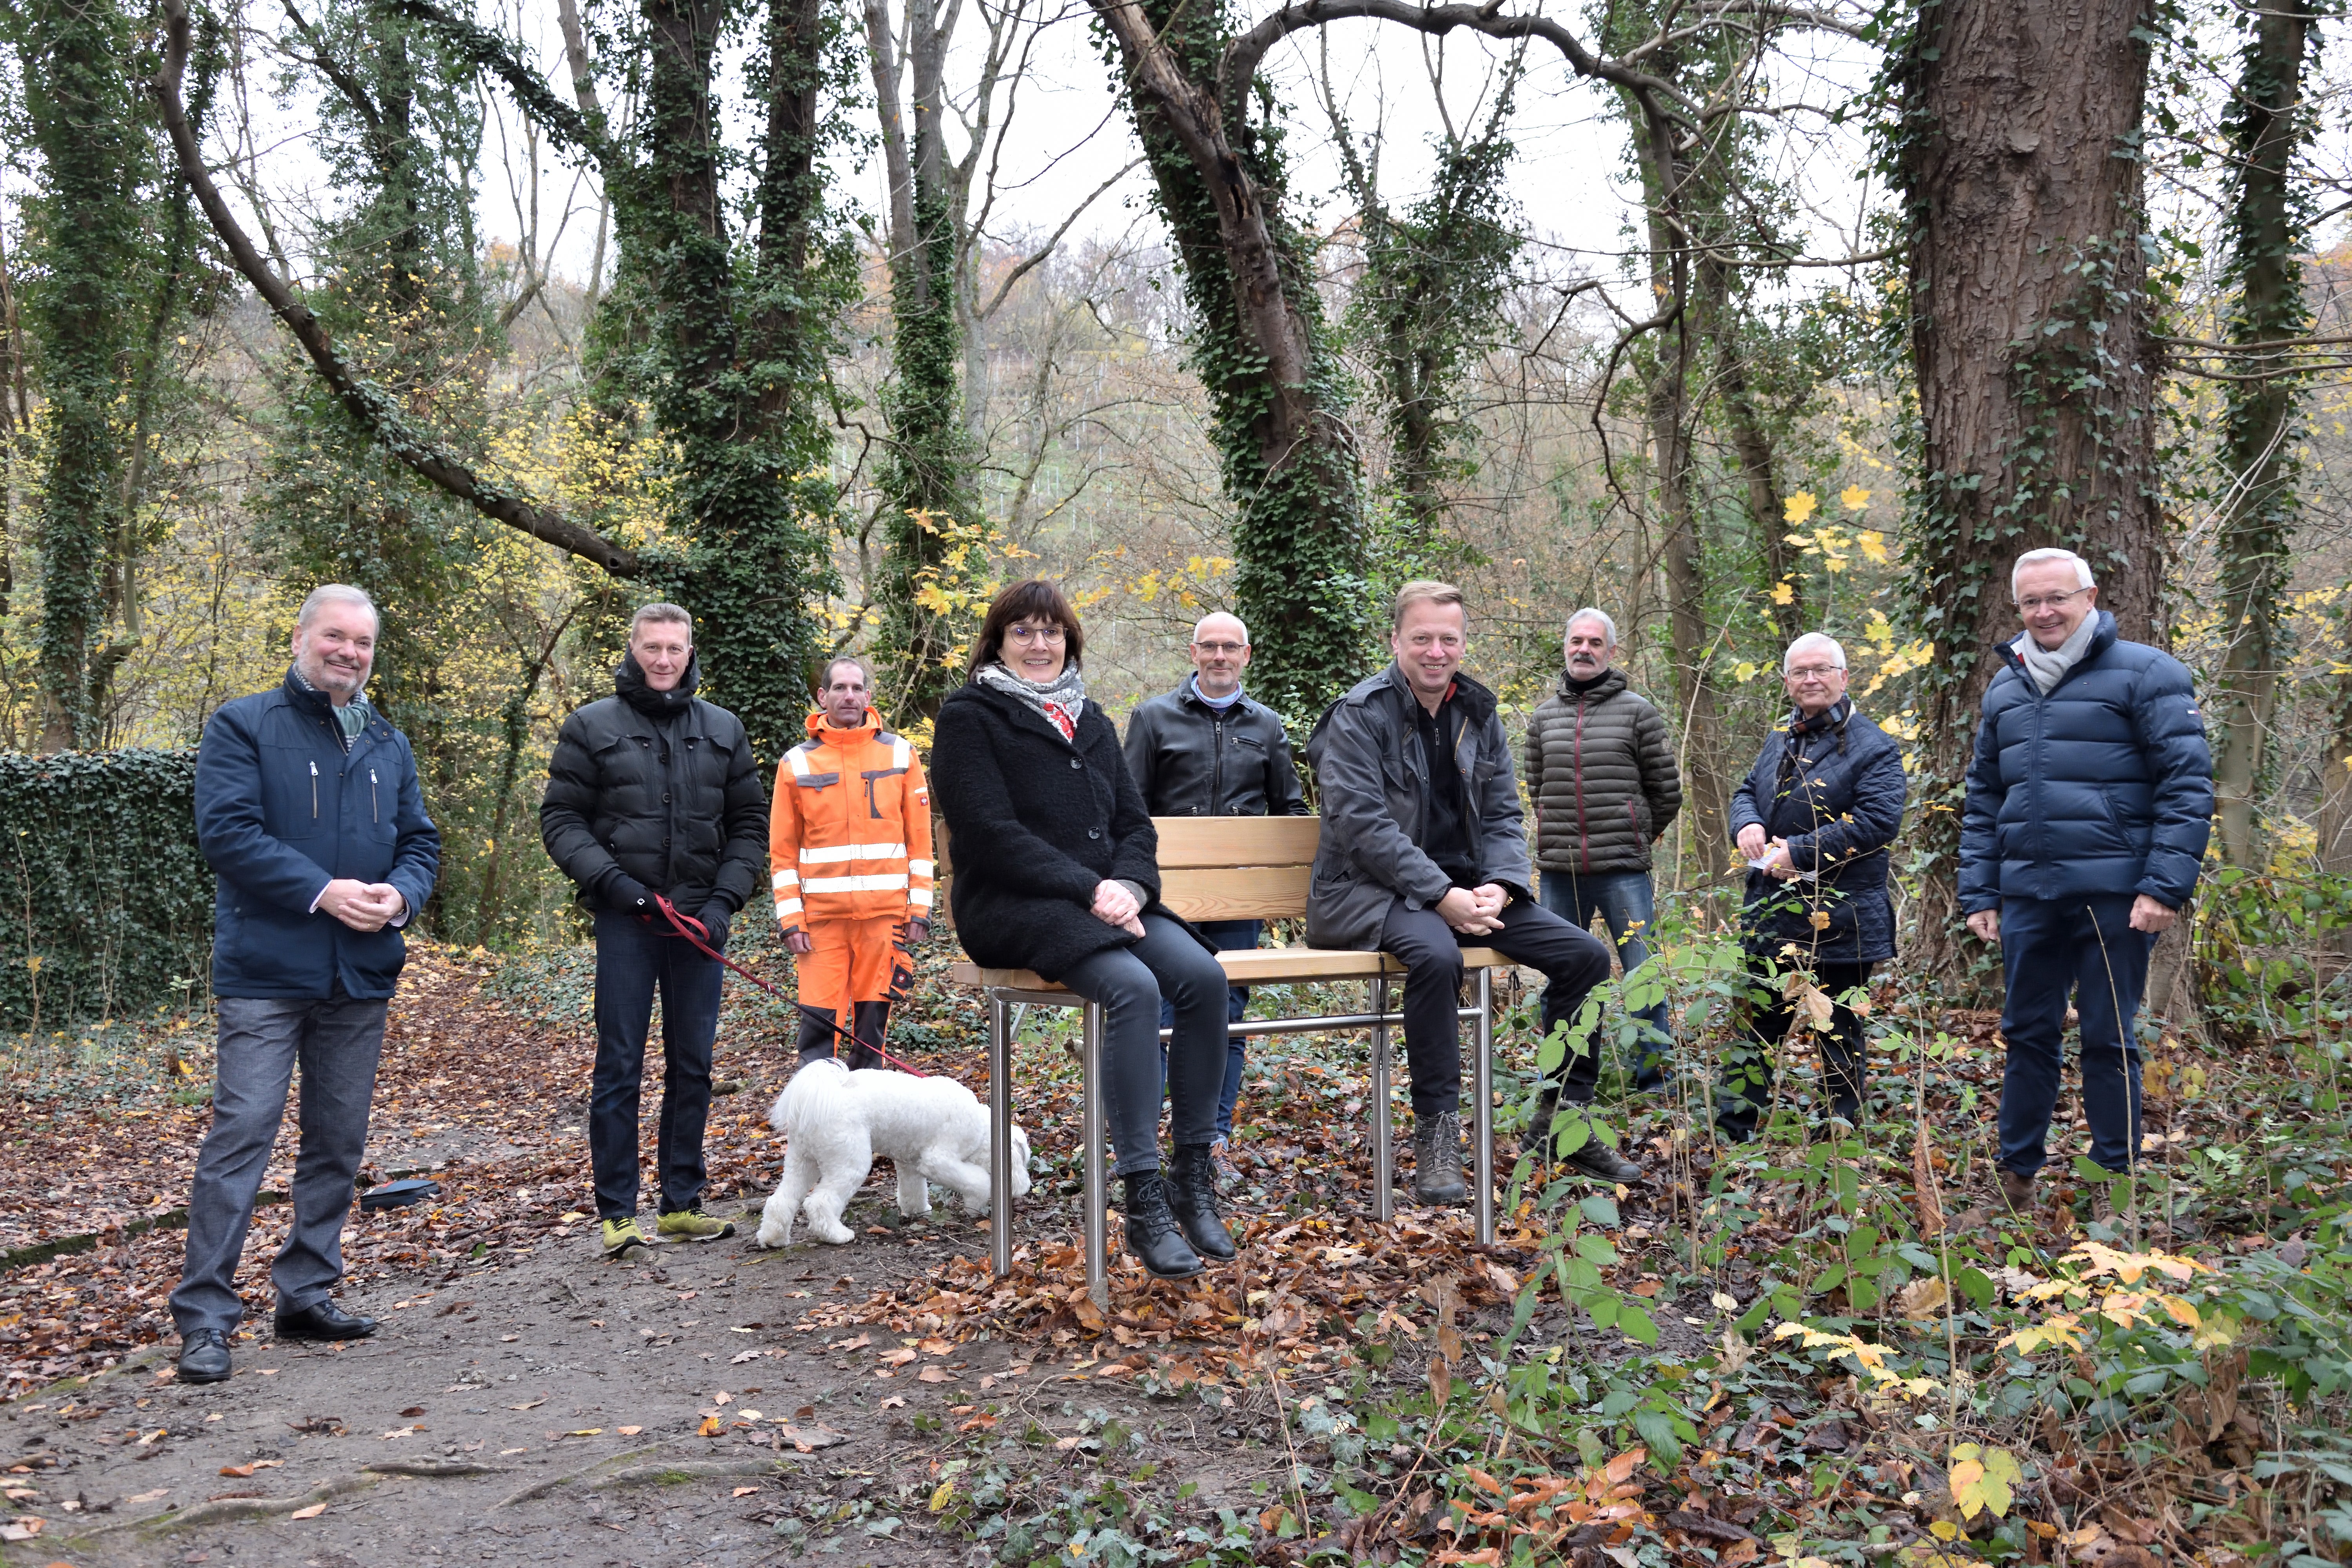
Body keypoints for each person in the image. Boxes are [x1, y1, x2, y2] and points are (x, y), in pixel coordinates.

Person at [172, 584, 442, 1384]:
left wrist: (402, 893)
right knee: (242, 1134)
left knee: (337, 1141)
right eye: (335, 636)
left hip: (359, 975)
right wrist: (323, 890)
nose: (349, 652)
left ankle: (306, 1290)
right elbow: (227, 833)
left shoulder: (388, 743)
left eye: (362, 642)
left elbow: (421, 842)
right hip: (266, 970)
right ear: (301, 637)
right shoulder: (243, 724)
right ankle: (206, 1315)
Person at [931, 579, 1234, 1280]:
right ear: (998, 642)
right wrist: (1090, 886)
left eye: (1052, 631)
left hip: (1106, 901)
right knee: (1131, 987)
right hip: (1017, 905)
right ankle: (1142, 1196)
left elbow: (1134, 824)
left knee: (1202, 979)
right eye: (1023, 633)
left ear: (1070, 639)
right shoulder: (970, 717)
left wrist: (1128, 884)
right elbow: (988, 833)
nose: (1040, 645)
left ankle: (1193, 1176)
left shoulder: (1090, 717)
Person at [1305, 580, 1641, 1201]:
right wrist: (1440, 895)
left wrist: (1502, 886)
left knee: (1587, 957)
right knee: (1437, 957)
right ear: (1396, 641)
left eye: (1448, 639)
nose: (1436, 651)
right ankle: (1437, 1140)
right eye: (1422, 638)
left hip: (1464, 890)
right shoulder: (1359, 715)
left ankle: (1562, 1119)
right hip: (1371, 892)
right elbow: (1361, 826)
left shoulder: (1478, 713)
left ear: (1463, 643)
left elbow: (1505, 815)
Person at [1961, 548, 2212, 1213]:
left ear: (2090, 597)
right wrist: (1981, 892)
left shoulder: (2148, 674)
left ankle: (2115, 1189)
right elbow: (1985, 798)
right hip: (2028, 896)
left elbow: (2187, 788)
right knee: (2027, 1034)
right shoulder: (2006, 686)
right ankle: (2015, 1181)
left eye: (2057, 598)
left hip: (2117, 896)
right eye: (2031, 602)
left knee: (2108, 1036)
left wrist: (2164, 886)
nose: (2044, 612)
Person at [542, 604, 768, 1258]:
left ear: (690, 651)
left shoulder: (723, 729)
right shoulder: (591, 725)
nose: (663, 659)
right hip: (626, 920)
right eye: (652, 648)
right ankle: (616, 1213)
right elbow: (562, 821)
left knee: (693, 1064)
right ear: (633, 649)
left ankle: (681, 1204)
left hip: (700, 922)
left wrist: (726, 901)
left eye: (674, 648)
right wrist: (619, 887)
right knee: (619, 1065)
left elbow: (750, 823)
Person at [1123, 611, 1308, 1172]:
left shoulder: (1268, 725)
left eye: (1231, 647)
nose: (1220, 656)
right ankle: (1145, 1149)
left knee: (1226, 1014)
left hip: (1238, 900)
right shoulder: (1153, 718)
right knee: (1158, 1013)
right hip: (1166, 900)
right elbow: (1128, 808)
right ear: (1194, 652)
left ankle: (1210, 1141)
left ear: (1246, 655)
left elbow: (1290, 810)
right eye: (1210, 647)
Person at [1721, 633, 1906, 1142]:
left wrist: (1797, 853)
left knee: (1839, 1029)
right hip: (1772, 913)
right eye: (1800, 672)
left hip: (1842, 920)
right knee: (1759, 1026)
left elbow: (1877, 823)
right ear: (1787, 682)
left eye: (1821, 669)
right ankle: (1733, 1133)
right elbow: (1746, 790)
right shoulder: (1781, 736)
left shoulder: (1875, 746)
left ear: (1844, 677)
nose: (1810, 679)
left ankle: (1839, 1137)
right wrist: (1747, 825)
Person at [1523, 608, 1682, 1091]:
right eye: (1577, 641)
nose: (1584, 650)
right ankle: (1564, 1077)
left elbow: (1667, 791)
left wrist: (1635, 833)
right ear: (1566, 647)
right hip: (1559, 870)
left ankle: (1654, 1081)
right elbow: (1537, 787)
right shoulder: (1543, 717)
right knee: (1563, 976)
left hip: (1623, 871)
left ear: (1611, 652)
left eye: (1595, 642)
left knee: (1643, 974)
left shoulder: (1638, 711)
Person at [771, 655, 933, 1069]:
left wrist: (919, 909)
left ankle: (870, 1123)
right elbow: (783, 853)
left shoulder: (901, 754)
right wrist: (791, 920)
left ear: (868, 696)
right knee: (817, 1034)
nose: (849, 695)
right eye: (839, 688)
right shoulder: (796, 763)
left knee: (871, 1037)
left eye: (857, 688)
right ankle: (817, 1124)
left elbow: (920, 842)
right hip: (821, 926)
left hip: (885, 921)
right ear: (822, 696)